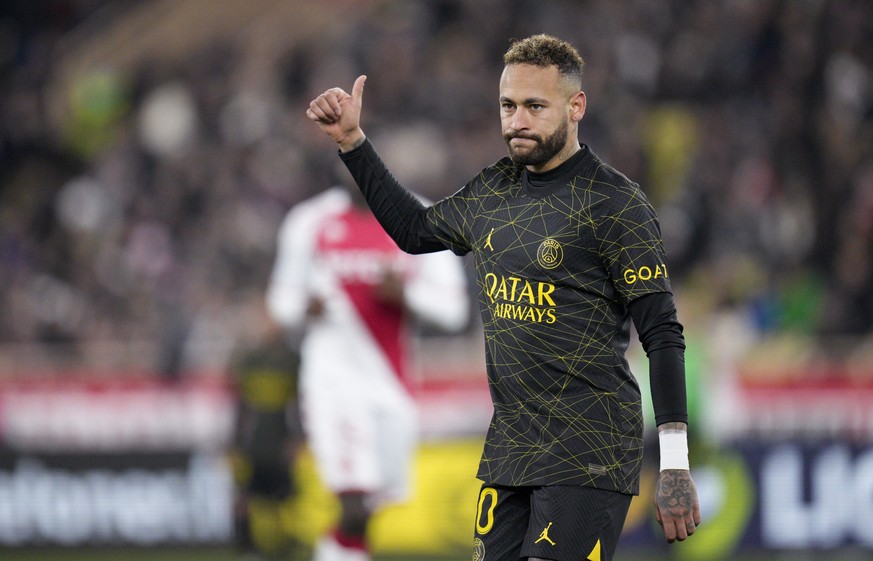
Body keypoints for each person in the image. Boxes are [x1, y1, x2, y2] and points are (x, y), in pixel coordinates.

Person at [305, 33, 701, 561]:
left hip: (589, 448)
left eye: (535, 106)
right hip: (512, 447)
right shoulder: (495, 190)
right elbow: (414, 230)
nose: (517, 120)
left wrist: (674, 464)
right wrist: (354, 143)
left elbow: (662, 333)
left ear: (576, 106)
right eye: (508, 106)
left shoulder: (614, 204)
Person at [265, 175, 470, 561]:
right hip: (332, 380)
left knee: (367, 510)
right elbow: (280, 298)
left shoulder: (420, 216)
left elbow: (454, 310)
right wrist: (301, 309)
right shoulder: (310, 220)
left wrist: (406, 296)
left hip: (392, 386)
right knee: (354, 504)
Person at [228, 297, 304, 560]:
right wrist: (235, 444)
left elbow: (300, 405)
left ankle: (285, 548)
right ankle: (247, 549)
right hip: (254, 443)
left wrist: (299, 439)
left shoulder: (293, 360)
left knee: (286, 501)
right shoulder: (249, 360)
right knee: (243, 499)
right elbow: (240, 407)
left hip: (280, 442)